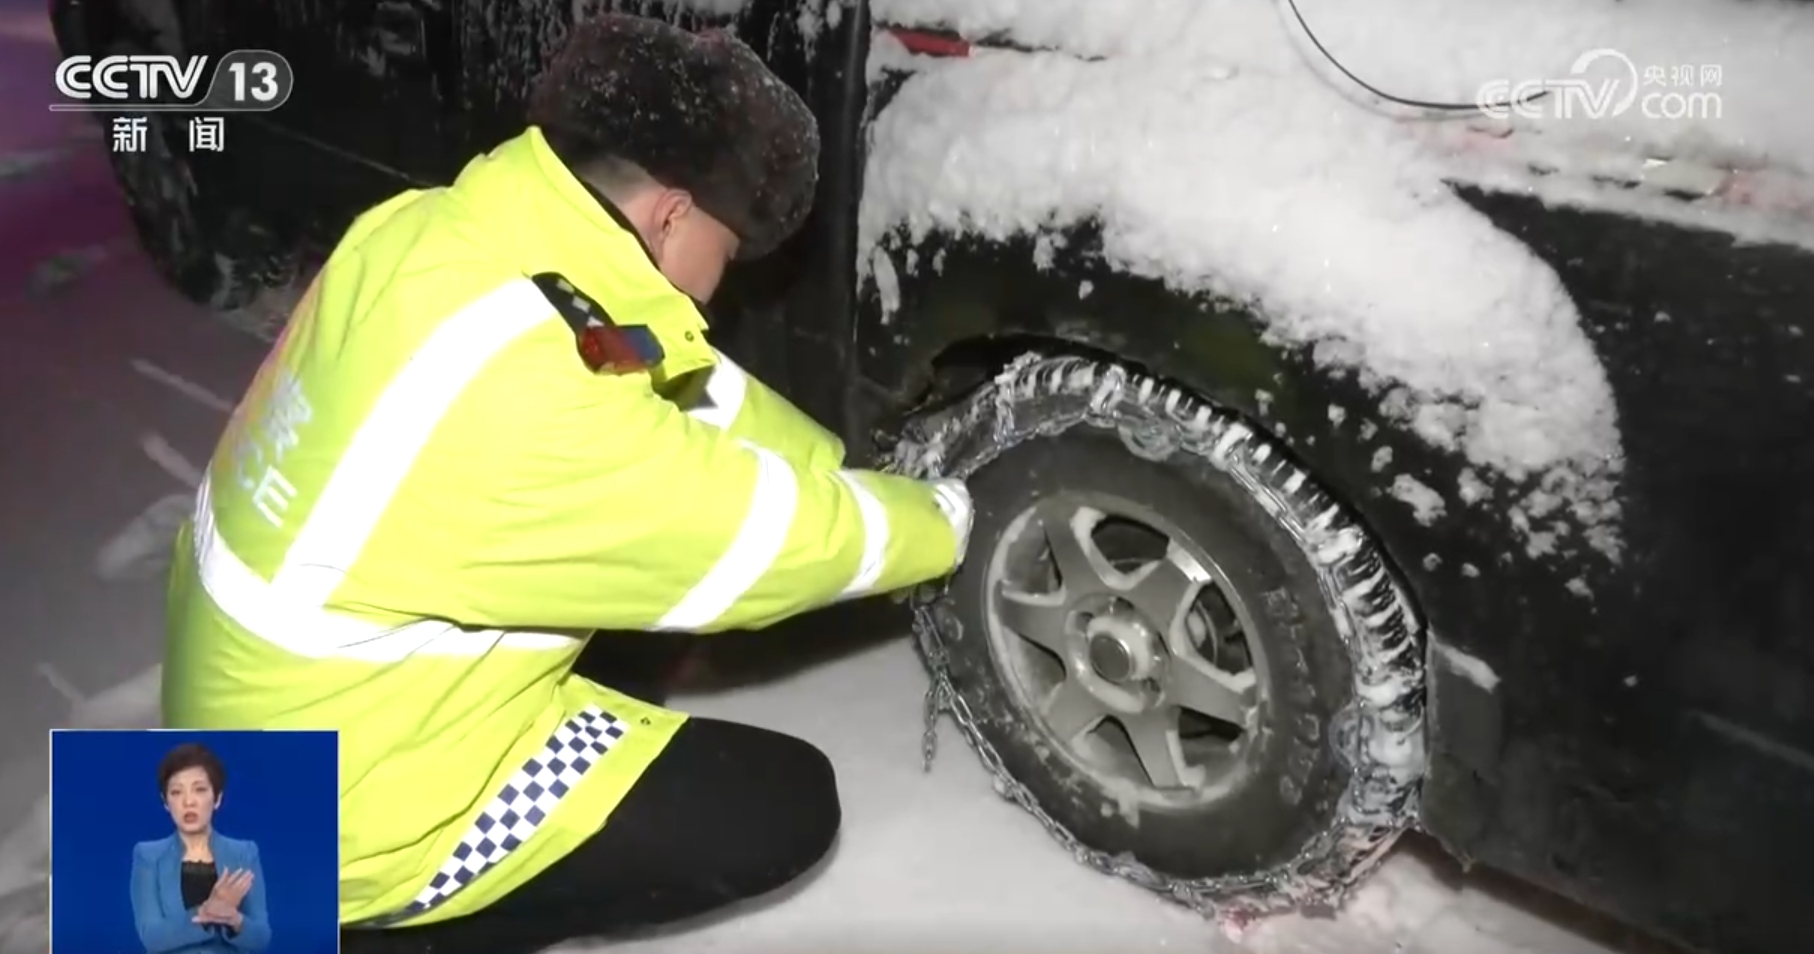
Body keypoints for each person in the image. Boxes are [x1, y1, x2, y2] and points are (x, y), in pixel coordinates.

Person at [160, 13, 974, 954]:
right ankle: (397, 932)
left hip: (248, 722)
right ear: (672, 214)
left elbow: (666, 374)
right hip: (335, 826)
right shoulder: (529, 406)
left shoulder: (443, 235)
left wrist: (832, 462)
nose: (725, 284)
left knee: (630, 602)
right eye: (731, 250)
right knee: (780, 804)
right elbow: (756, 542)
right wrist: (946, 521)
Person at [129, 743, 271, 954]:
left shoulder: (244, 853)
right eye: (176, 792)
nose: (188, 802)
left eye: (200, 790)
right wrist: (206, 912)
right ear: (165, 802)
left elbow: (261, 937)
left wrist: (233, 918)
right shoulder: (148, 856)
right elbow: (151, 937)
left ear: (217, 798)